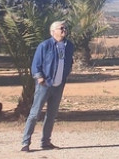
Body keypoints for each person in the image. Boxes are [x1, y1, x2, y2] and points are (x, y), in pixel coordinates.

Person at [20, 20, 74, 152]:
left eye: (65, 28)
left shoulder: (69, 46)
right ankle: (25, 143)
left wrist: (66, 74)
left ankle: (45, 142)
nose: (64, 30)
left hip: (58, 85)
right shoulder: (45, 45)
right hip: (45, 85)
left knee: (51, 115)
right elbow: (36, 64)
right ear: (52, 31)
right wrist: (40, 78)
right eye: (61, 28)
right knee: (35, 114)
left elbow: (69, 62)